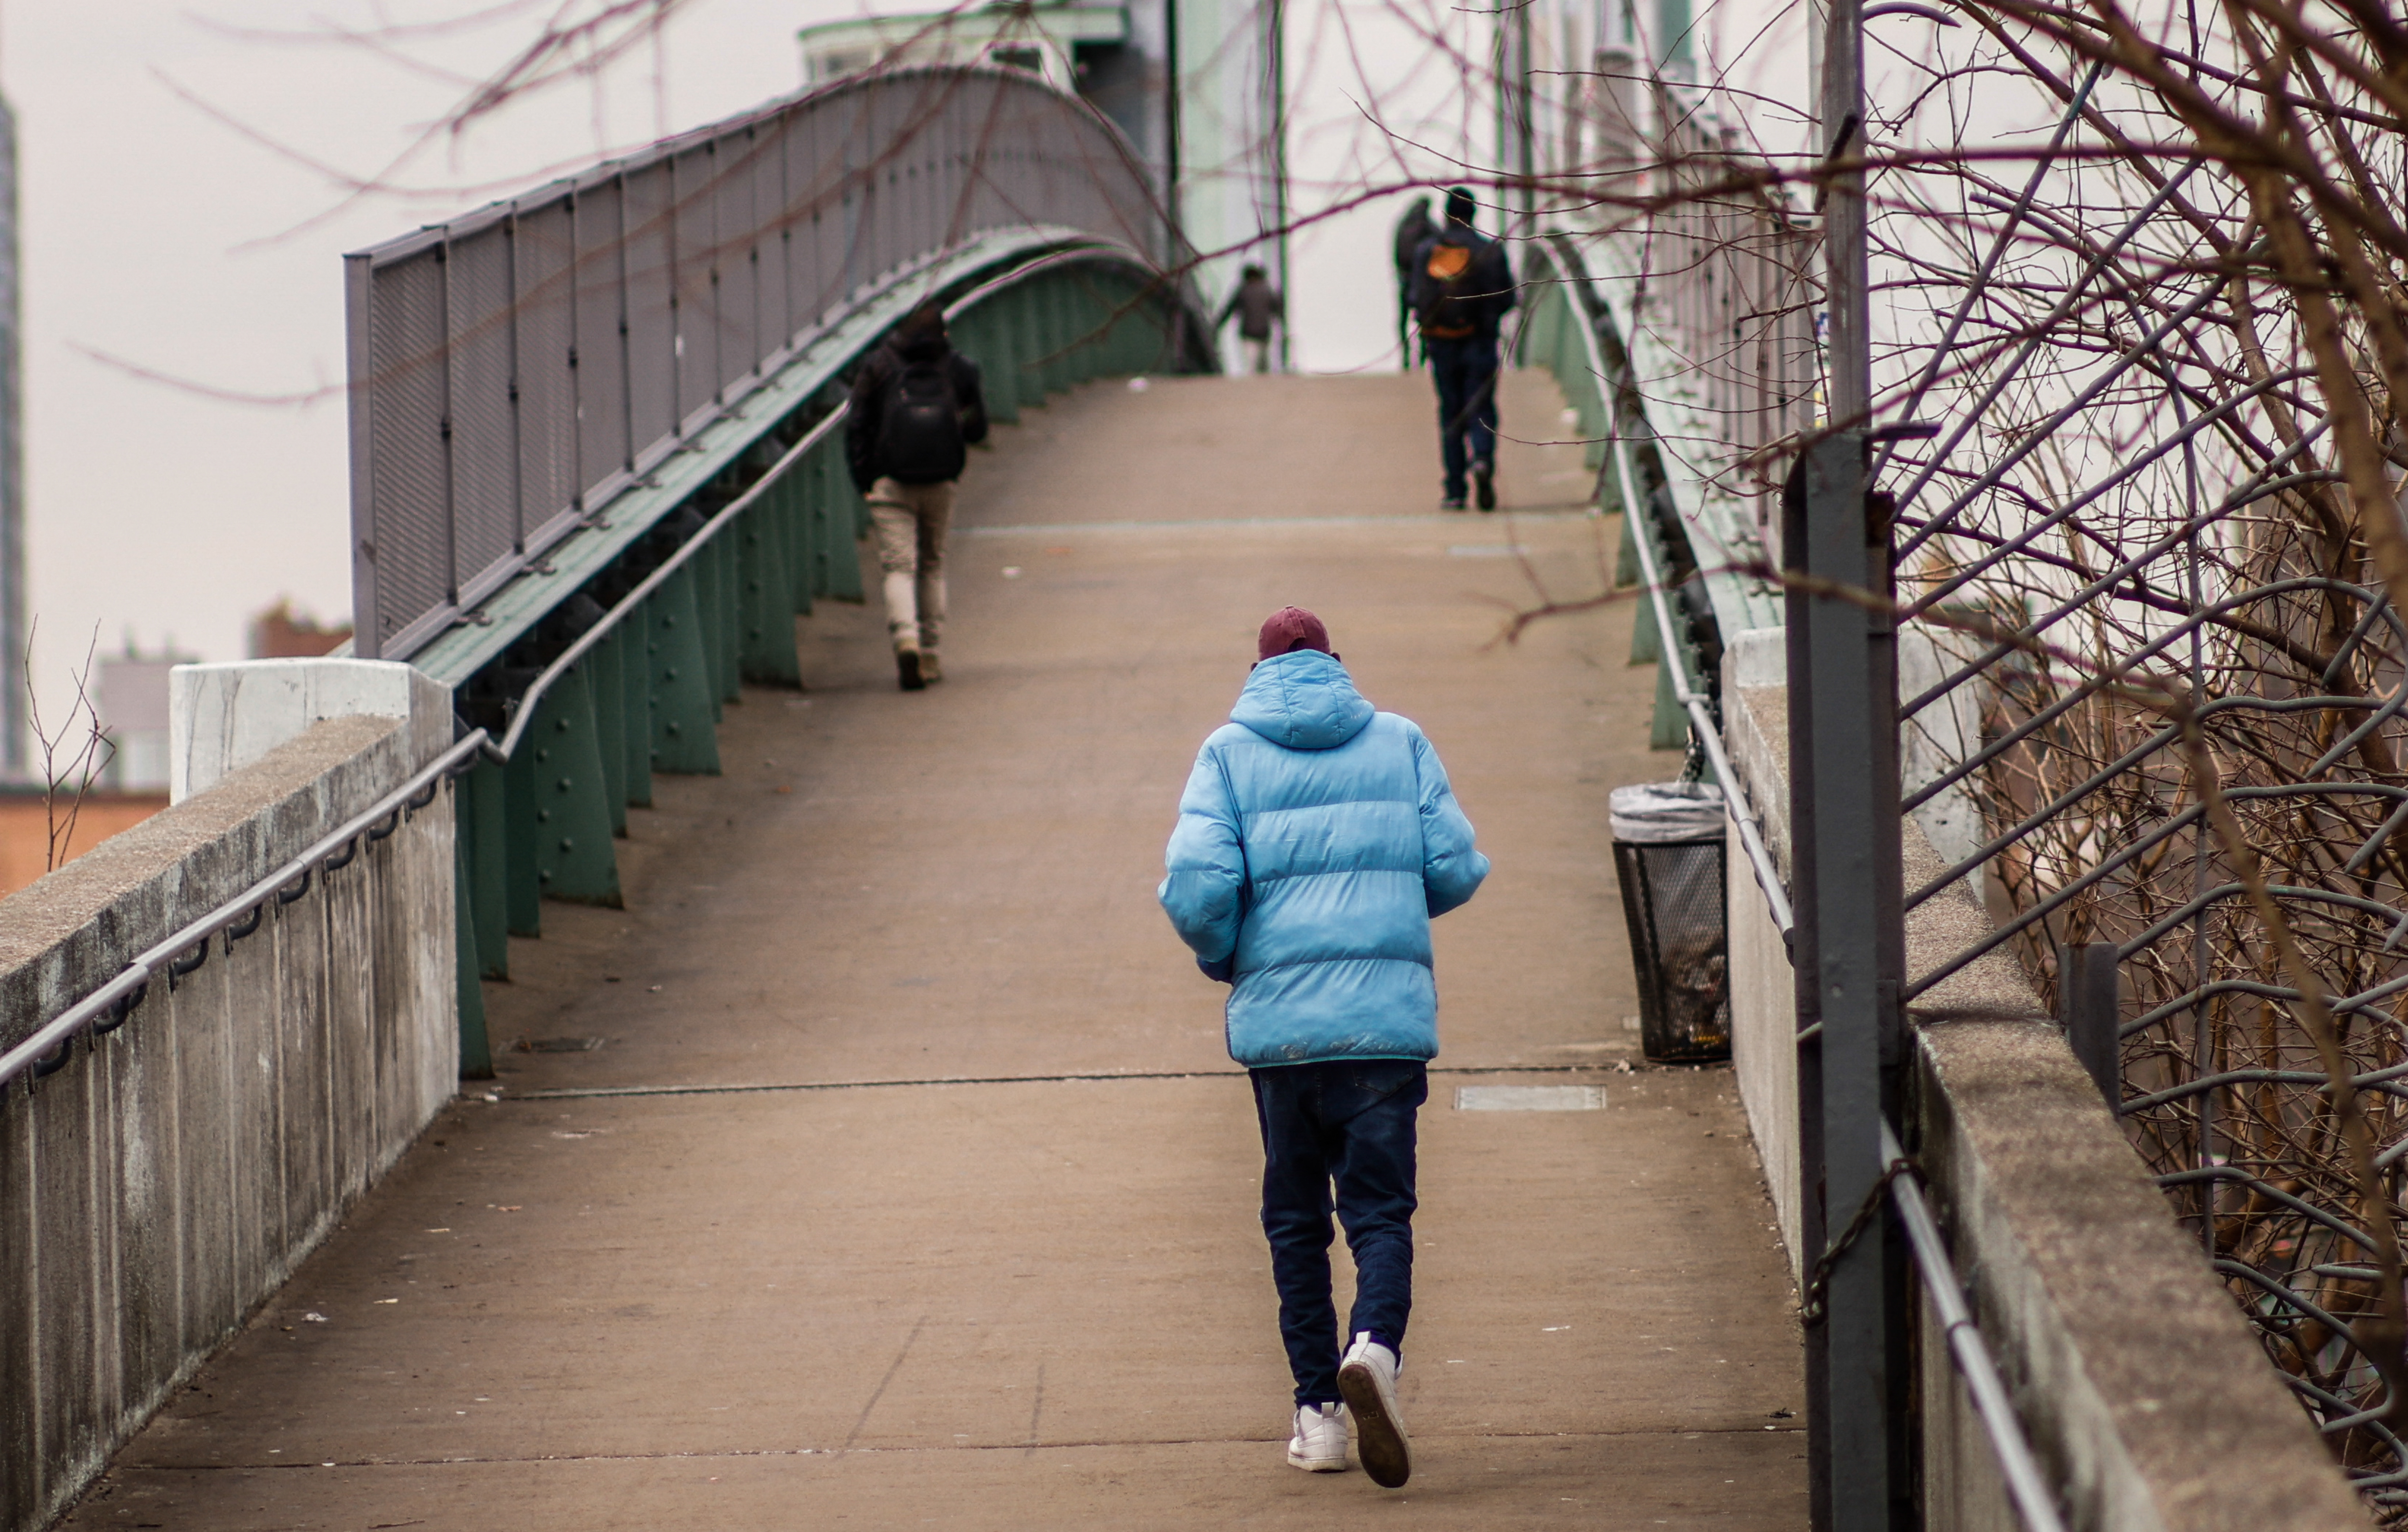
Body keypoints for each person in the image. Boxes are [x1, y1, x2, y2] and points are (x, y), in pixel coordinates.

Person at [1157, 606, 1489, 1490]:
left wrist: (1226, 955)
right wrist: (1386, 917)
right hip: (1383, 1029)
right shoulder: (1400, 740)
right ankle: (1374, 1345)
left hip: (1282, 1035)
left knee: (1296, 1221)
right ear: (1336, 663)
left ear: (1258, 670)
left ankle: (1320, 1416)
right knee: (1379, 1212)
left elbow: (1197, 885)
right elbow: (1455, 866)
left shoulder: (1226, 752)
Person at [845, 301, 989, 690]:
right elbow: (978, 430)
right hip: (941, 481)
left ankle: (905, 638)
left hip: (891, 481)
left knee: (898, 567)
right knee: (932, 563)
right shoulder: (958, 368)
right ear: (944, 331)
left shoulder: (879, 366)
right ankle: (930, 651)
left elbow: (856, 426)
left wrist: (867, 481)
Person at [1409, 188, 1516, 511]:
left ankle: (1455, 490)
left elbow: (1415, 298)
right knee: (1481, 406)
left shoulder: (1428, 250)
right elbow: (1507, 299)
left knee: (1451, 413)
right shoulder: (1489, 251)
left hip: (1441, 343)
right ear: (1473, 214)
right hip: (1480, 341)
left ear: (1446, 214)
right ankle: (1482, 459)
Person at [1389, 196, 1436, 368]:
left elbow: (1395, 253)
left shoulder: (1402, 226)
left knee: (1402, 320)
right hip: (1424, 283)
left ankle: (1405, 353)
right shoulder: (1428, 225)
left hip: (1404, 279)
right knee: (1425, 318)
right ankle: (1423, 353)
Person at [1216, 263, 1286, 374]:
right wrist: (1283, 326)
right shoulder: (1268, 290)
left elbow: (1229, 310)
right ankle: (1266, 387)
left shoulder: (1242, 291)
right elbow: (1277, 311)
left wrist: (1216, 325)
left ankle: (1254, 387)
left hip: (1248, 333)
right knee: (1264, 365)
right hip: (1265, 333)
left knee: (1252, 366)